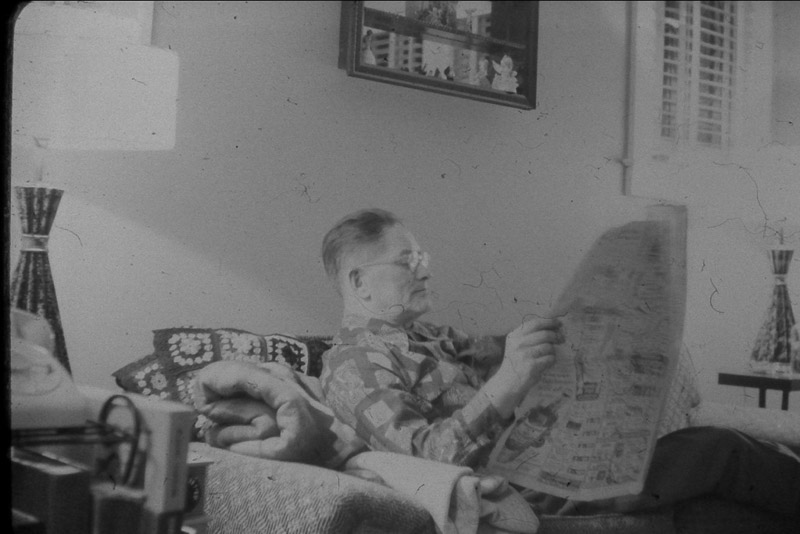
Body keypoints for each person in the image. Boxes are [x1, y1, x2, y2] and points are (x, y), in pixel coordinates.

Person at [319, 208, 800, 518]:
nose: (425, 270)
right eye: (407, 261)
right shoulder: (354, 363)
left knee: (719, 501)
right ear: (359, 283)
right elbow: (421, 457)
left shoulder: (430, 336)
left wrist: (595, 317)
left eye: (422, 257)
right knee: (716, 450)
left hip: (555, 462)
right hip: (529, 492)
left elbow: (513, 347)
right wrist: (505, 386)